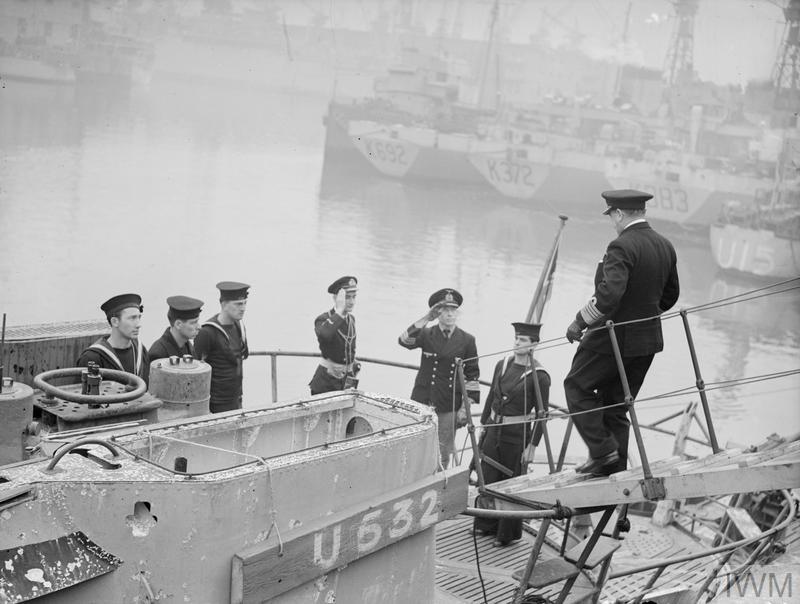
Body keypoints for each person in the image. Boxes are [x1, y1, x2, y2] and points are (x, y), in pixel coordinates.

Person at [564, 189, 680, 476]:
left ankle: (603, 451)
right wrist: (642, 316)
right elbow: (671, 295)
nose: (612, 222)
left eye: (611, 216)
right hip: (647, 341)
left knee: (576, 387)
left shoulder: (621, 246)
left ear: (618, 214)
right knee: (616, 404)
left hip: (611, 338)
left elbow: (609, 294)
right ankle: (614, 468)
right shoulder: (665, 245)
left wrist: (580, 321)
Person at [475, 321, 550, 546]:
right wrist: (483, 426)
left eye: (523, 340)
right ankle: (485, 524)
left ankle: (506, 534)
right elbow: (491, 396)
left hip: (516, 436)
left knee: (511, 484)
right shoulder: (503, 364)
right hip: (493, 430)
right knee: (488, 477)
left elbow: (542, 414)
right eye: (516, 338)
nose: (517, 343)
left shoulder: (540, 376)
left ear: (533, 345)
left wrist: (532, 446)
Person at [398, 288, 480, 468]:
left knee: (442, 453)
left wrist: (464, 409)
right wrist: (426, 318)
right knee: (415, 448)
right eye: (445, 309)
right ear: (437, 312)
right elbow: (403, 340)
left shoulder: (467, 340)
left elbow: (472, 376)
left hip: (448, 405)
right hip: (422, 401)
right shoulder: (426, 334)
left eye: (453, 310)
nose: (450, 314)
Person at [194, 281, 250, 413]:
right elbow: (195, 370)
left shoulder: (239, 326)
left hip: (236, 399)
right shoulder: (207, 332)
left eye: (244, 303)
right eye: (238, 304)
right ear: (224, 305)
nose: (243, 308)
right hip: (216, 403)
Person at [76, 293, 150, 384]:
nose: (138, 324)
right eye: (132, 318)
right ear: (115, 322)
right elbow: (81, 391)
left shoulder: (140, 351)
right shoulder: (93, 358)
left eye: (139, 317)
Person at [309, 276, 360, 395]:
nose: (351, 302)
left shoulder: (351, 319)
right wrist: (340, 312)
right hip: (327, 382)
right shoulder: (323, 319)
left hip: (347, 380)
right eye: (347, 297)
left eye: (354, 297)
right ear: (336, 298)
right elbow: (324, 335)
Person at [149, 296, 204, 362]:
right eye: (193, 323)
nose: (199, 327)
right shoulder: (159, 354)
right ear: (178, 324)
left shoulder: (187, 346)